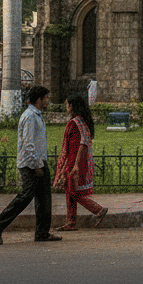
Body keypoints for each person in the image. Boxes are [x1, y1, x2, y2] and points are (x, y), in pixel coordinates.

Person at [0, 86, 62, 244]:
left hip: (39, 162)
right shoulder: (30, 116)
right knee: (26, 197)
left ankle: (42, 232)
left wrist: (41, 162)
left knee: (44, 199)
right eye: (46, 98)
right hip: (31, 165)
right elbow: (28, 144)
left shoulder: (37, 115)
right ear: (39, 100)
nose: (48, 101)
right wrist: (36, 165)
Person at [53, 93, 107, 230]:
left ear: (71, 106)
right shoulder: (82, 122)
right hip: (78, 161)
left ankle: (98, 210)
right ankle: (70, 222)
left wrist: (73, 166)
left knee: (73, 192)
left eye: (67, 104)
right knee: (70, 190)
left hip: (75, 162)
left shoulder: (74, 123)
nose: (66, 107)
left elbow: (79, 146)